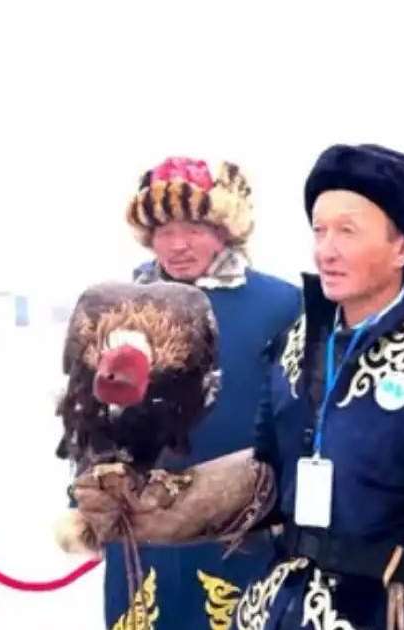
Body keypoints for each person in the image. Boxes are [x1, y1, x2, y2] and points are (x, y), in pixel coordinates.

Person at [73, 145, 404, 630]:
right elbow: (268, 473)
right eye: (319, 230)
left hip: (392, 608)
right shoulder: (300, 338)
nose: (325, 250)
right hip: (283, 607)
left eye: (347, 231)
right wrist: (165, 505)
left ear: (402, 246)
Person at [99, 157, 302, 629]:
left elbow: (300, 418)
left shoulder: (281, 304)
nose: (178, 244)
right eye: (164, 231)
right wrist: (89, 494)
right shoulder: (119, 304)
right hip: (141, 529)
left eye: (193, 228)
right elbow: (91, 411)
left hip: (240, 530)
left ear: (225, 230)